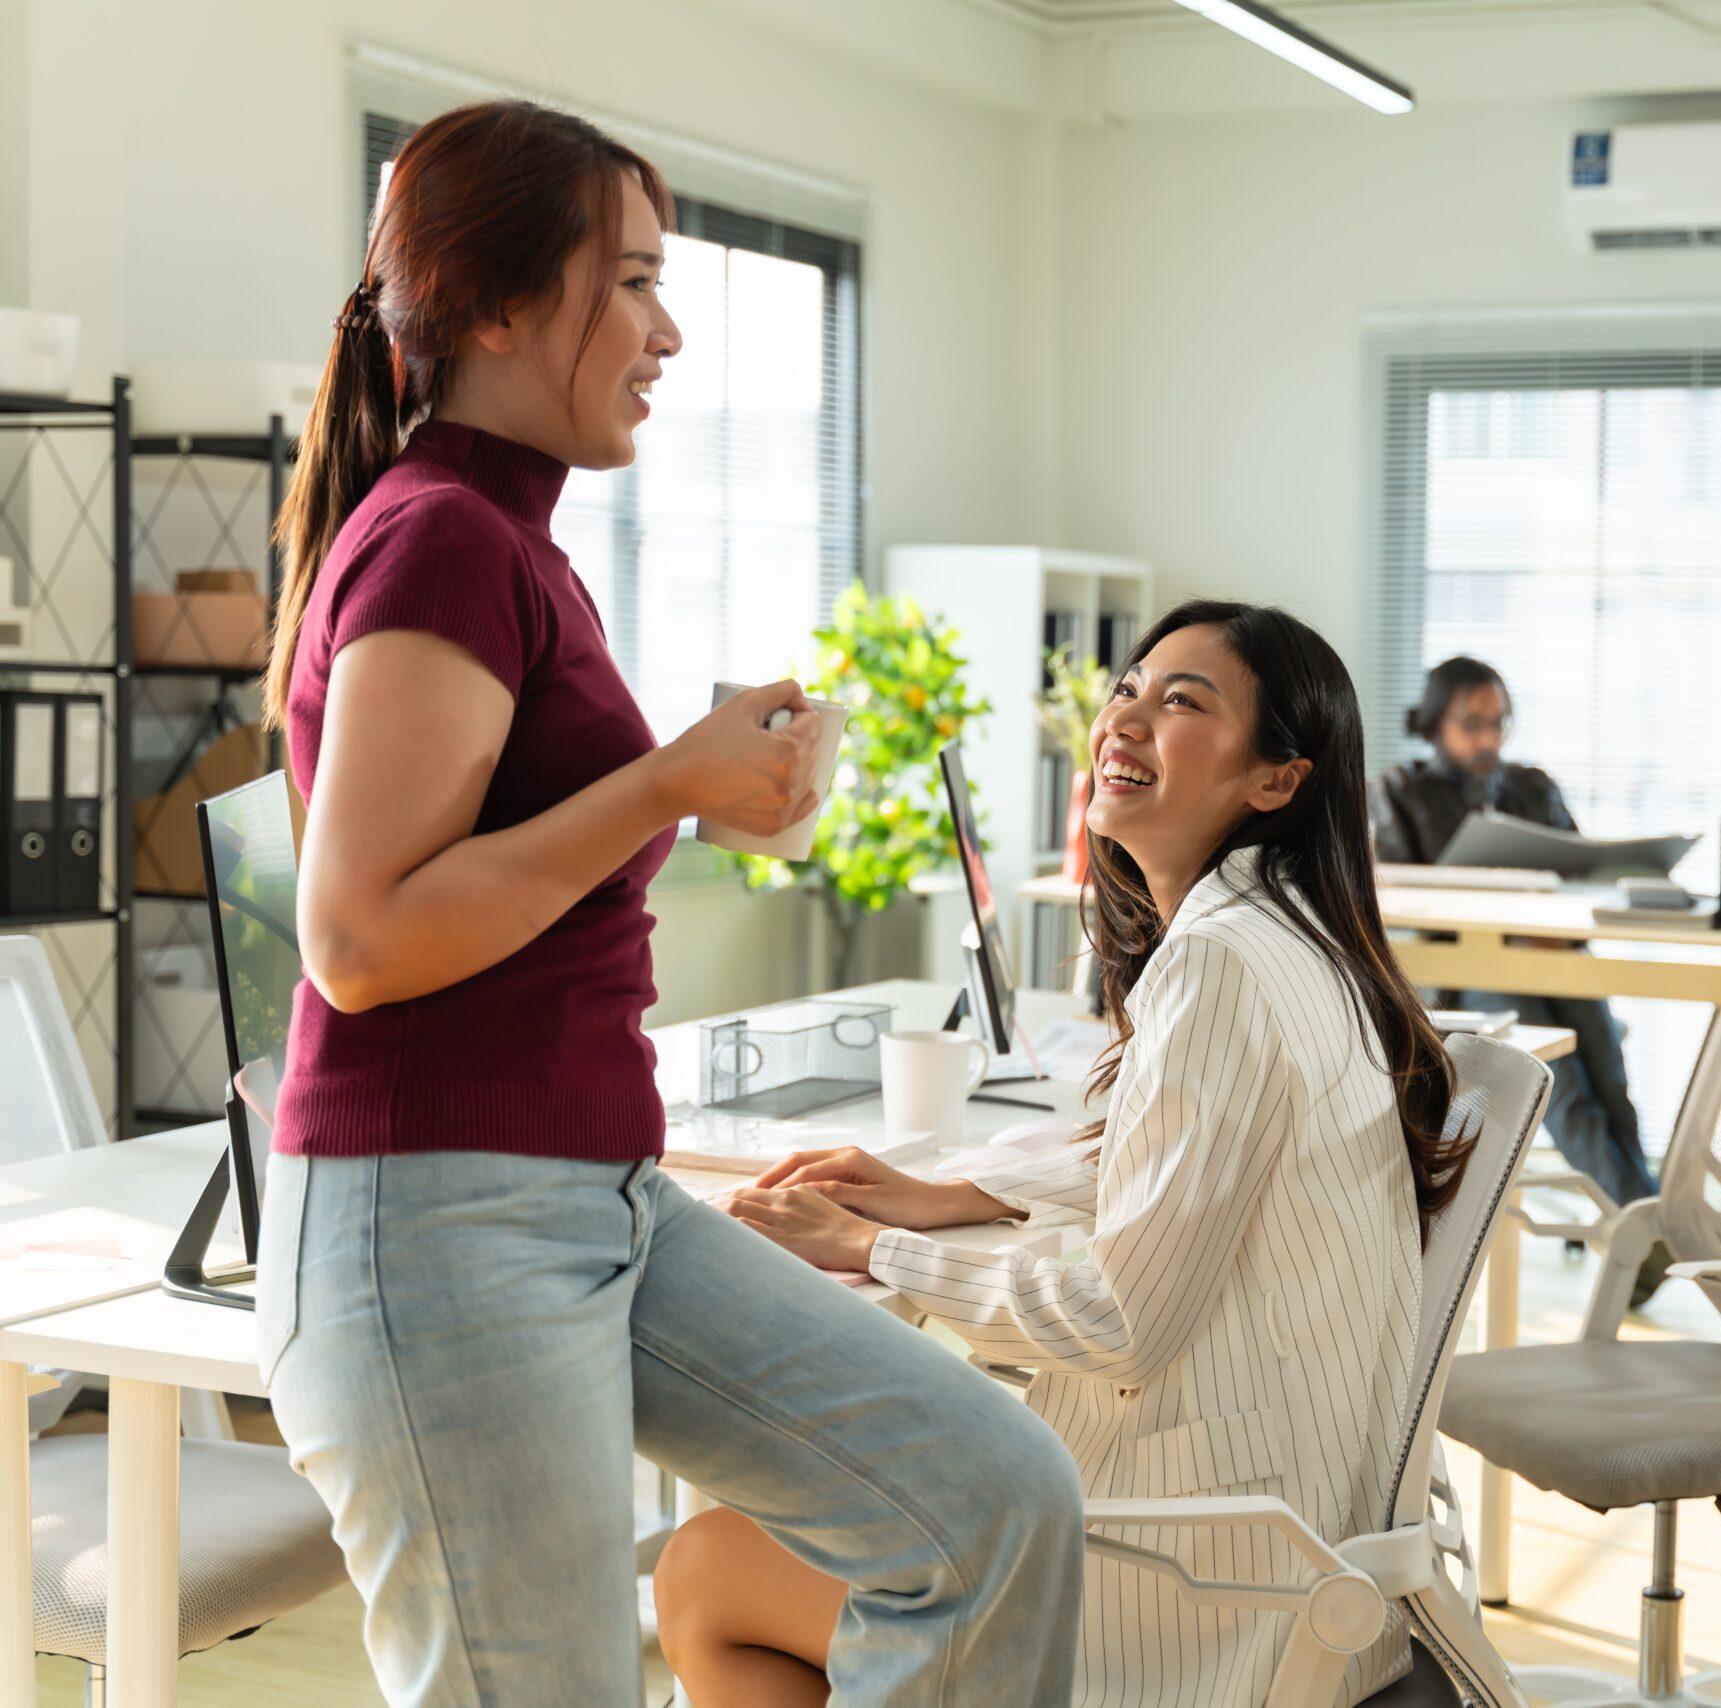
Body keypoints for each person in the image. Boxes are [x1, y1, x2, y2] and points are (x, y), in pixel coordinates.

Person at [252, 100, 1081, 1708]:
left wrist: (711, 793)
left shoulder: (511, 543)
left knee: (992, 1504)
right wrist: (662, 787)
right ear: (496, 308)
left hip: (594, 1201)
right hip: (436, 1227)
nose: (671, 330)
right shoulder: (435, 539)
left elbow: (512, 873)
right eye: (630, 283)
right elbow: (359, 942)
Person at [653, 601, 1475, 1707]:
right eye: (1127, 689)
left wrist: (882, 1244)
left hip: (1205, 1587)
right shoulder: (1286, 934)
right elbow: (1171, 1152)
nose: (1125, 718)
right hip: (1303, 1548)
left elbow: (1120, 1319)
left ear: (1275, 779)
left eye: (1182, 701)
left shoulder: (1222, 965)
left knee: (704, 1573)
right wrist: (948, 1191)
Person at [1373, 657, 1669, 1286]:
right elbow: (1397, 900)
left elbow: (1583, 870)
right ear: (1434, 722)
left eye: (1498, 723)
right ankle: (1651, 1229)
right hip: (1473, 969)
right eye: (1472, 723)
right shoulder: (1400, 790)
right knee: (1565, 1082)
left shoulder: (1533, 786)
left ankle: (1647, 1224)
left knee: (1608, 1066)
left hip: (1558, 959)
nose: (1488, 738)